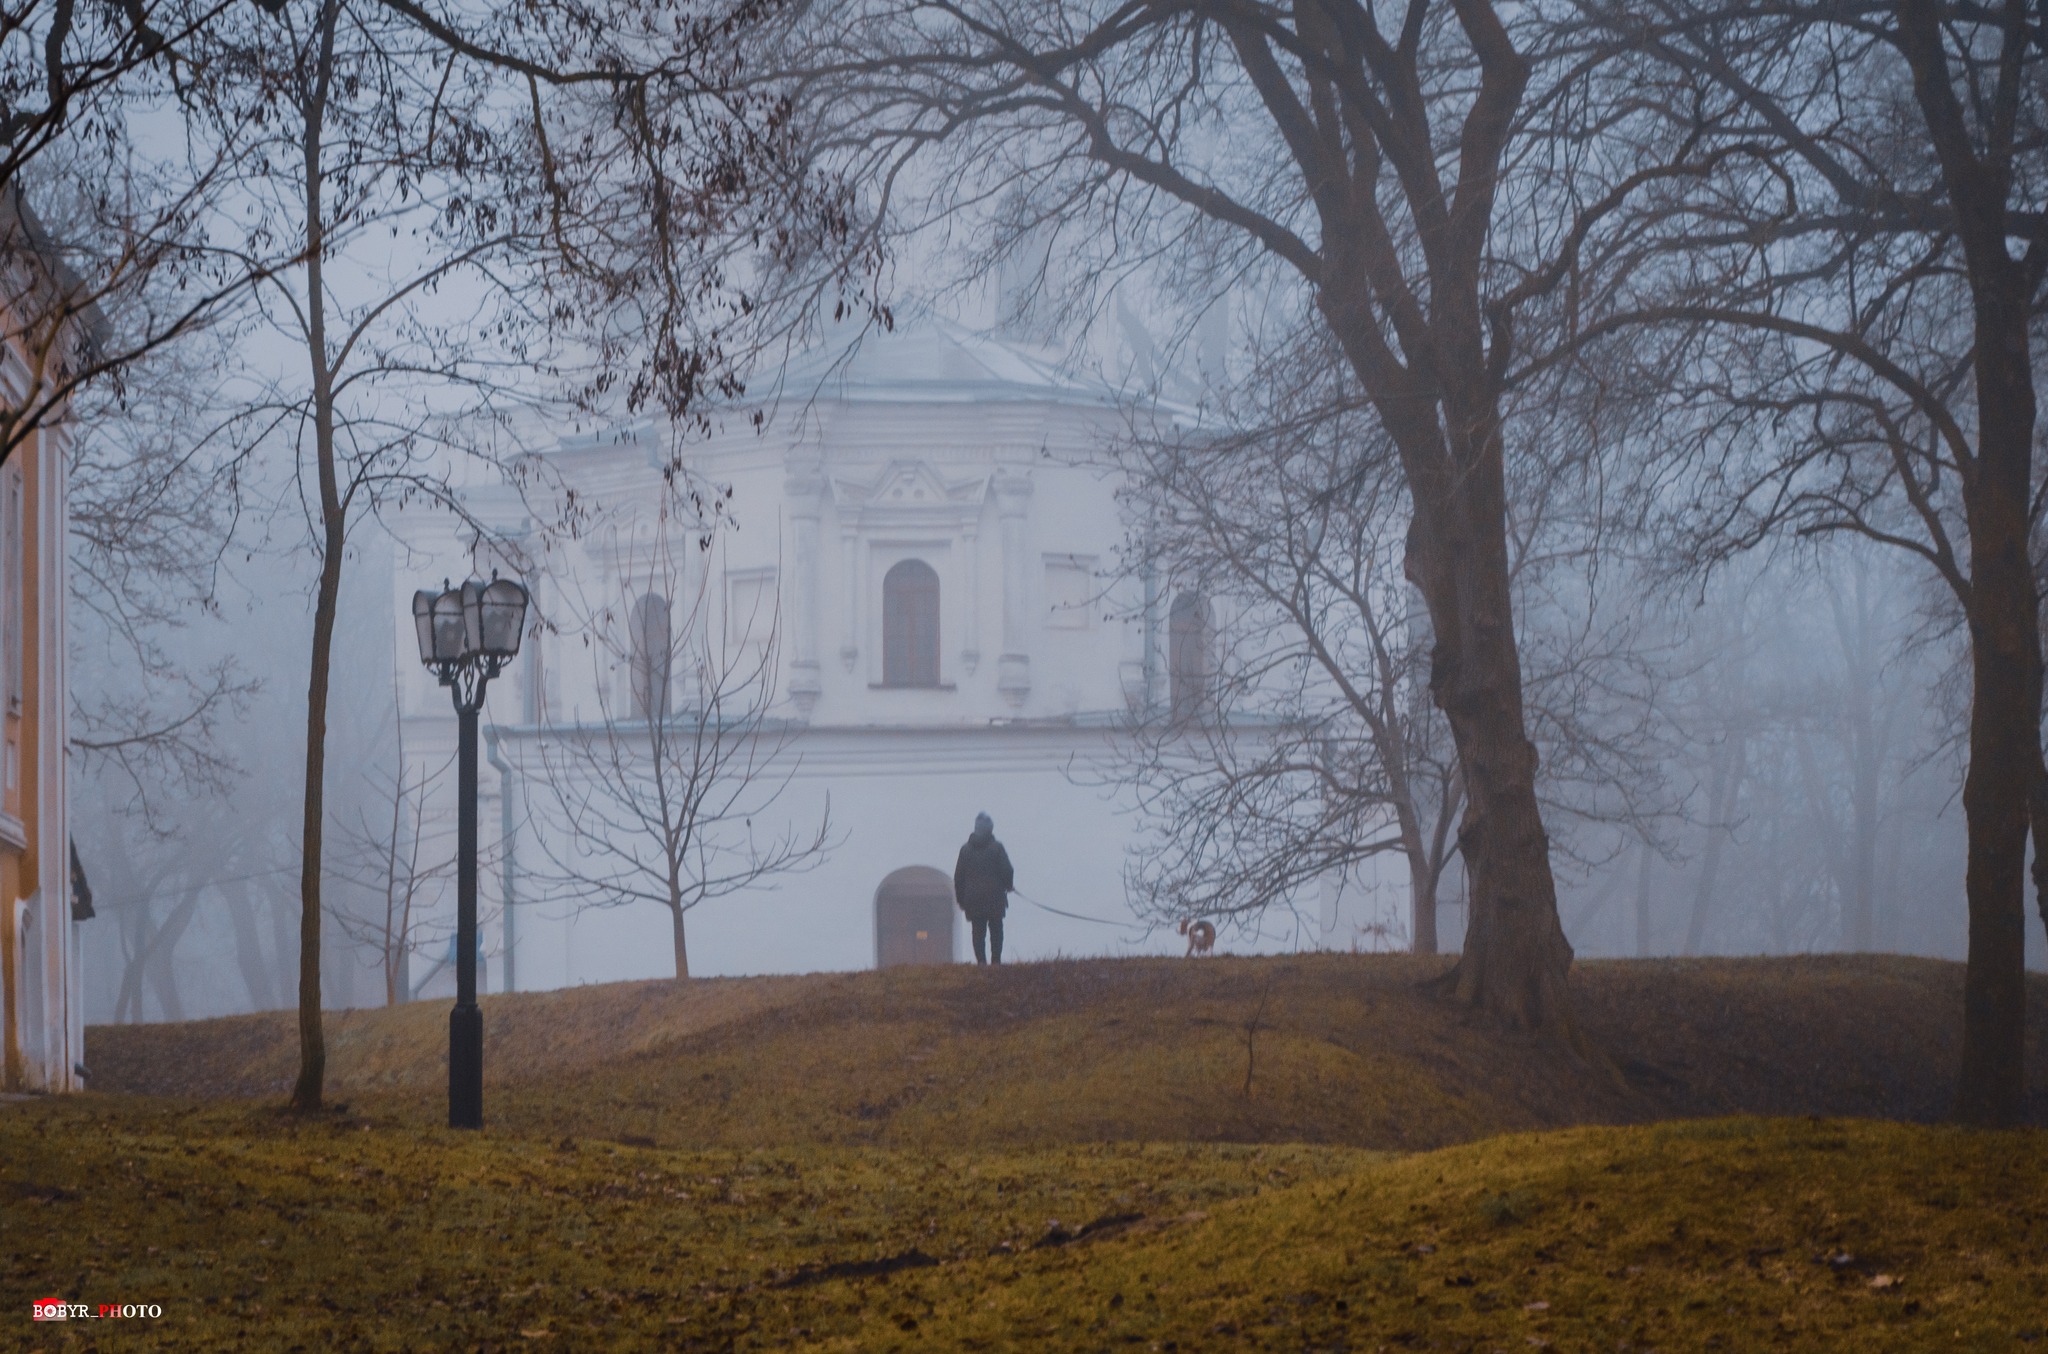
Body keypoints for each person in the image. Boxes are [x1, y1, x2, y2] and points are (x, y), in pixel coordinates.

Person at [953, 811, 1014, 965]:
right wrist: (1008, 885)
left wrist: (961, 900)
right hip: (995, 897)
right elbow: (1007, 870)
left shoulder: (965, 850)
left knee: (978, 931)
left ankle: (981, 962)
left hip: (973, 899)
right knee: (996, 929)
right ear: (990, 829)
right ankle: (996, 961)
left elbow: (958, 877)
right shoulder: (997, 848)